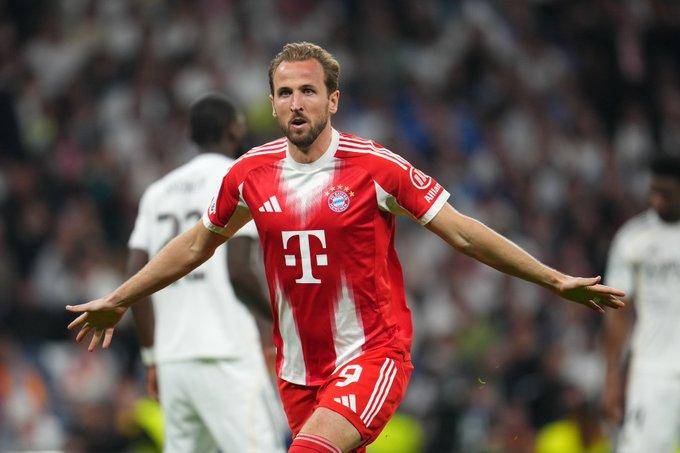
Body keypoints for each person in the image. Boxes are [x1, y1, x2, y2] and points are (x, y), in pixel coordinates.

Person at [67, 42, 625, 453]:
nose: (296, 103)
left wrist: (554, 279)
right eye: (285, 93)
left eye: (308, 91)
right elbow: (193, 246)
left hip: (371, 355)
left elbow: (461, 231)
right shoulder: (250, 173)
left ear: (333, 100)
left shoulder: (374, 167)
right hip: (297, 369)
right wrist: (120, 299)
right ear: (272, 104)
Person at [125, 94, 284, 452]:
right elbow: (239, 272)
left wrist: (152, 356)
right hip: (226, 353)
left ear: (191, 134)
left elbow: (136, 277)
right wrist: (281, 322)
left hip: (173, 360)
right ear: (235, 129)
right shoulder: (239, 178)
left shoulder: (157, 192)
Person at [602, 154, 680, 453]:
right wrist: (612, 376)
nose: (657, 200)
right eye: (653, 192)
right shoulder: (633, 239)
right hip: (653, 370)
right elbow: (616, 311)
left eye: (667, 194)